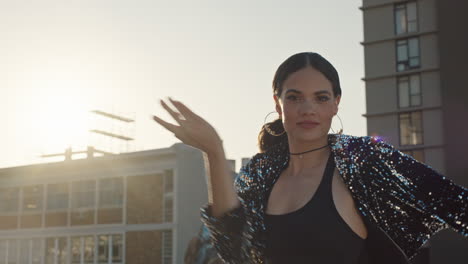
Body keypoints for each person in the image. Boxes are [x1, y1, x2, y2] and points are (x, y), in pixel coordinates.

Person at [152, 52, 468, 264]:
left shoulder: (362, 160)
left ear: (336, 104)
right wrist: (214, 151)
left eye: (320, 98)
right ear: (278, 104)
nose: (308, 109)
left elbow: (457, 206)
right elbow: (233, 251)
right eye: (294, 97)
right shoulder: (262, 173)